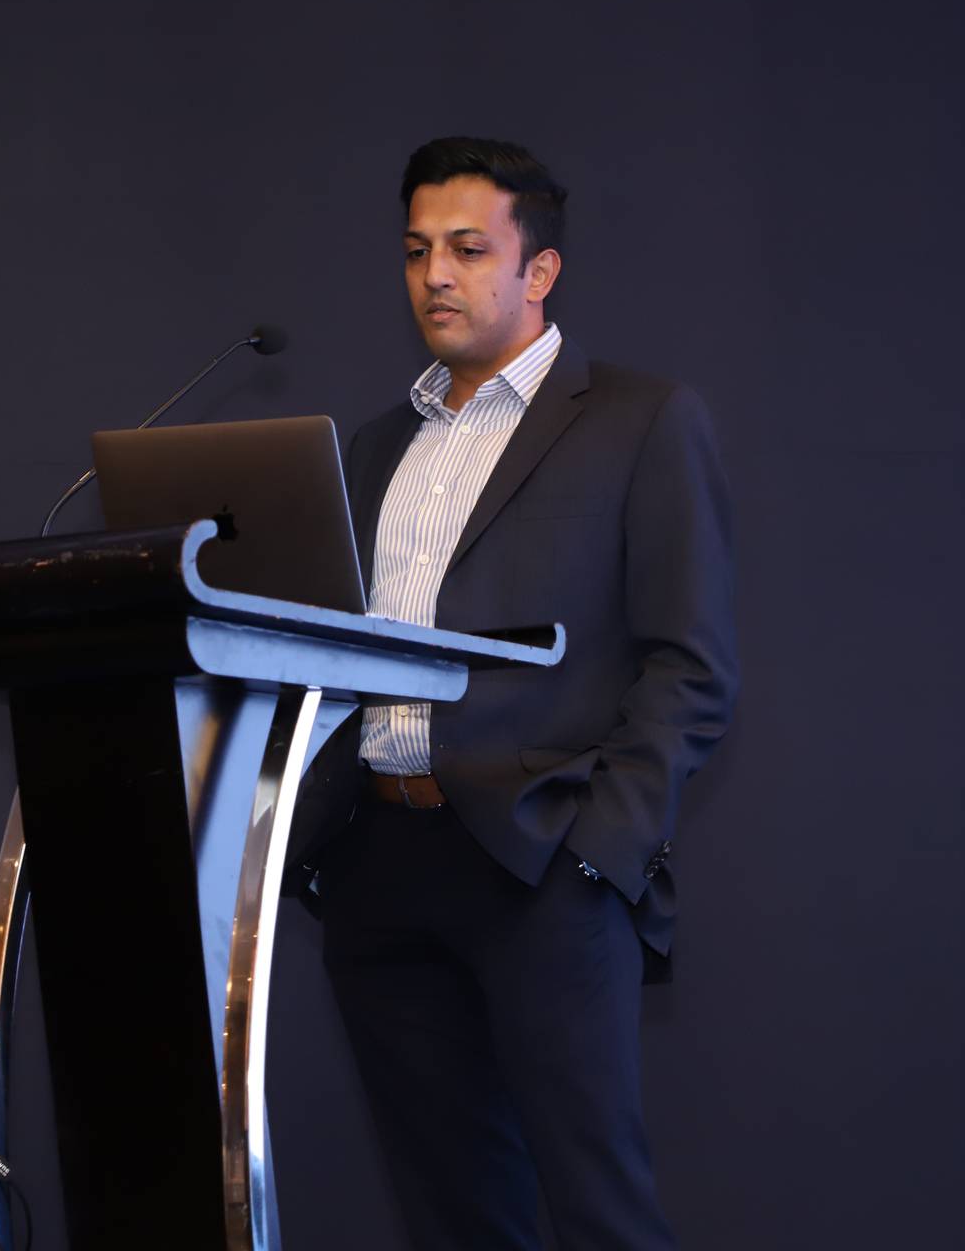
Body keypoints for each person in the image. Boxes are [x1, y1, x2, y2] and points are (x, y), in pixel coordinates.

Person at [296, 136, 741, 1250]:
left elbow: (691, 664)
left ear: (539, 269)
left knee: (599, 1211)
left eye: (467, 249)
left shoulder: (641, 419)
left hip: (542, 860)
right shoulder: (375, 446)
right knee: (456, 1214)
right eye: (415, 251)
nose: (434, 276)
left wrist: (600, 850)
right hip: (378, 864)